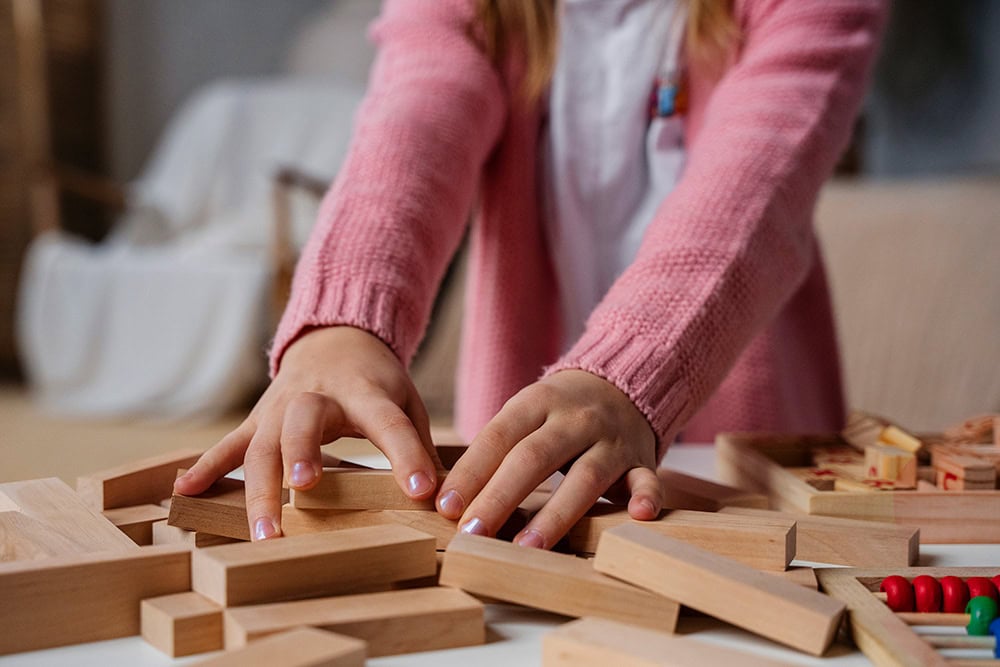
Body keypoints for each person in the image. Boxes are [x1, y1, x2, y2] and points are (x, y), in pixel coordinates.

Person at [175, 0, 887, 548]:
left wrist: (625, 374)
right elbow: (417, 118)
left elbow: (758, 186)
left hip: (746, 477)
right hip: (524, 475)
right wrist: (341, 324)